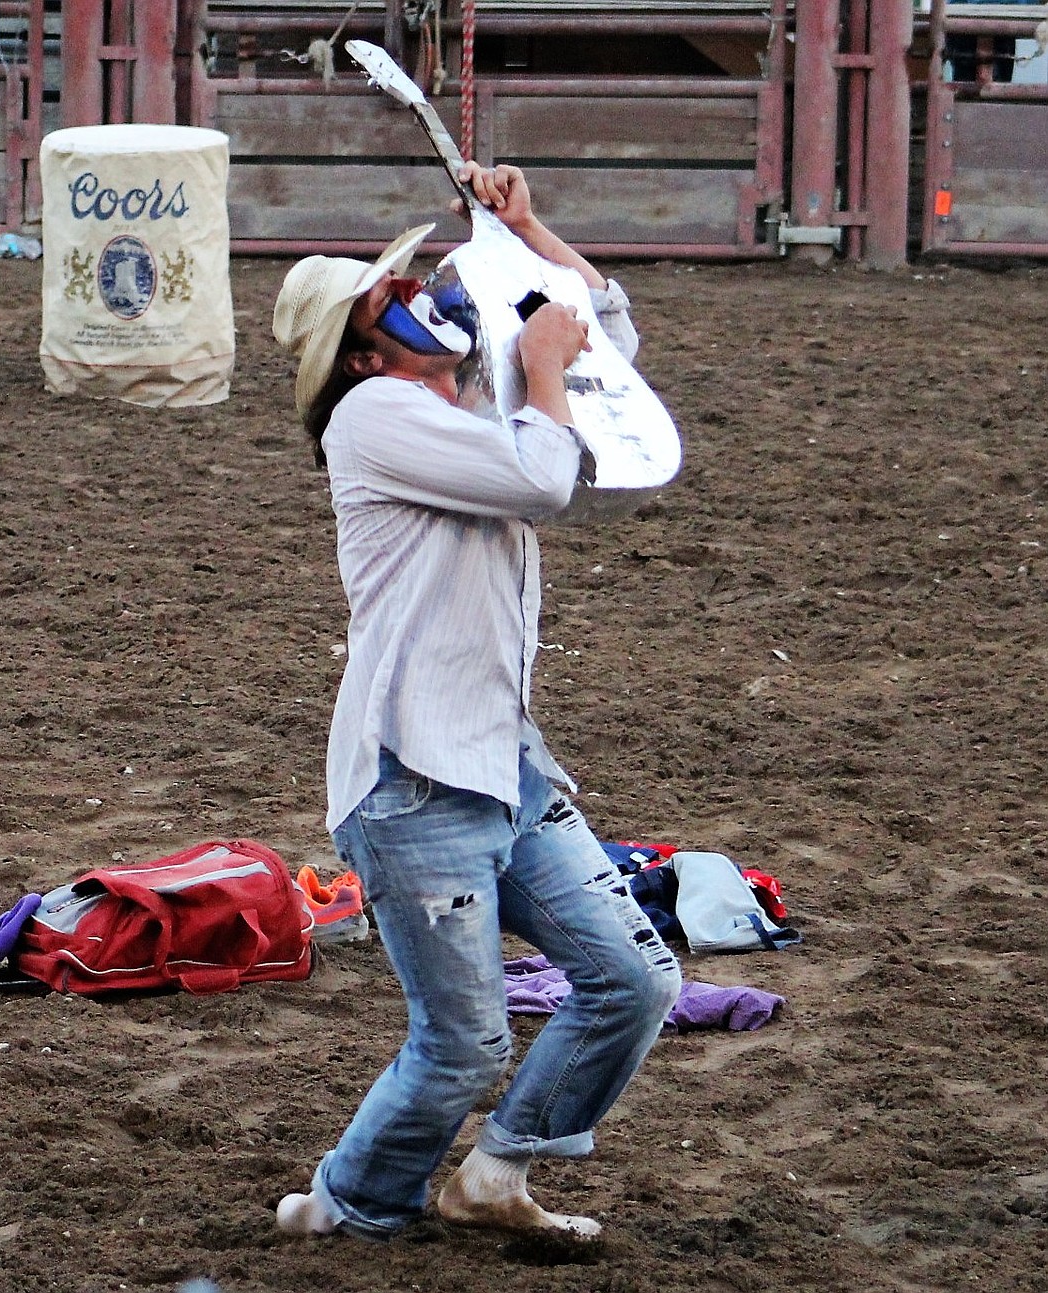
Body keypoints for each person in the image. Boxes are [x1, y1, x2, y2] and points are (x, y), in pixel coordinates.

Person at [269, 162, 682, 1241]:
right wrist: (539, 362)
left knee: (633, 981)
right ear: (363, 354)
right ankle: (353, 1202)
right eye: (389, 297)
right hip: (414, 778)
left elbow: (604, 360)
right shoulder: (369, 417)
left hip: (502, 763)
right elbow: (549, 475)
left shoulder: (476, 410)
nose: (422, 292)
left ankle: (497, 1175)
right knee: (463, 1044)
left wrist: (529, 234)